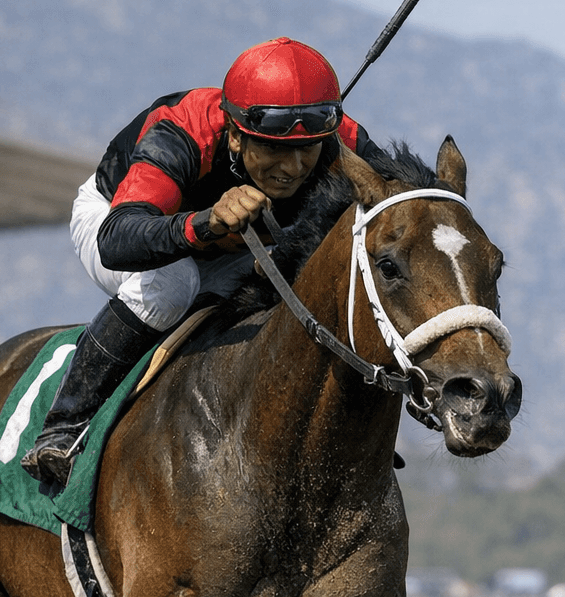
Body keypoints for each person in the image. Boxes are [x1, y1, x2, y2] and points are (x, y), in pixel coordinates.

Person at [20, 36, 386, 486]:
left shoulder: (338, 137)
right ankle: (64, 424)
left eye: (307, 149)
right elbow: (116, 240)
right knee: (171, 285)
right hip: (116, 219)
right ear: (234, 133)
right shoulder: (184, 128)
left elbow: (399, 202)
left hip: (232, 247)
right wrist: (205, 223)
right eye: (273, 149)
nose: (293, 167)